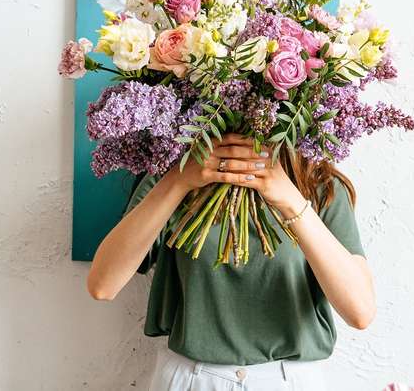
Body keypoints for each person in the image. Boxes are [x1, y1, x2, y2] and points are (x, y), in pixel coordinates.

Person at [87, 134, 376, 390]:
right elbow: (103, 286)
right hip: (191, 378)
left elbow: (360, 312)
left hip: (289, 380)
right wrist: (178, 180)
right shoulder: (173, 172)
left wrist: (289, 199)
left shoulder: (318, 182)